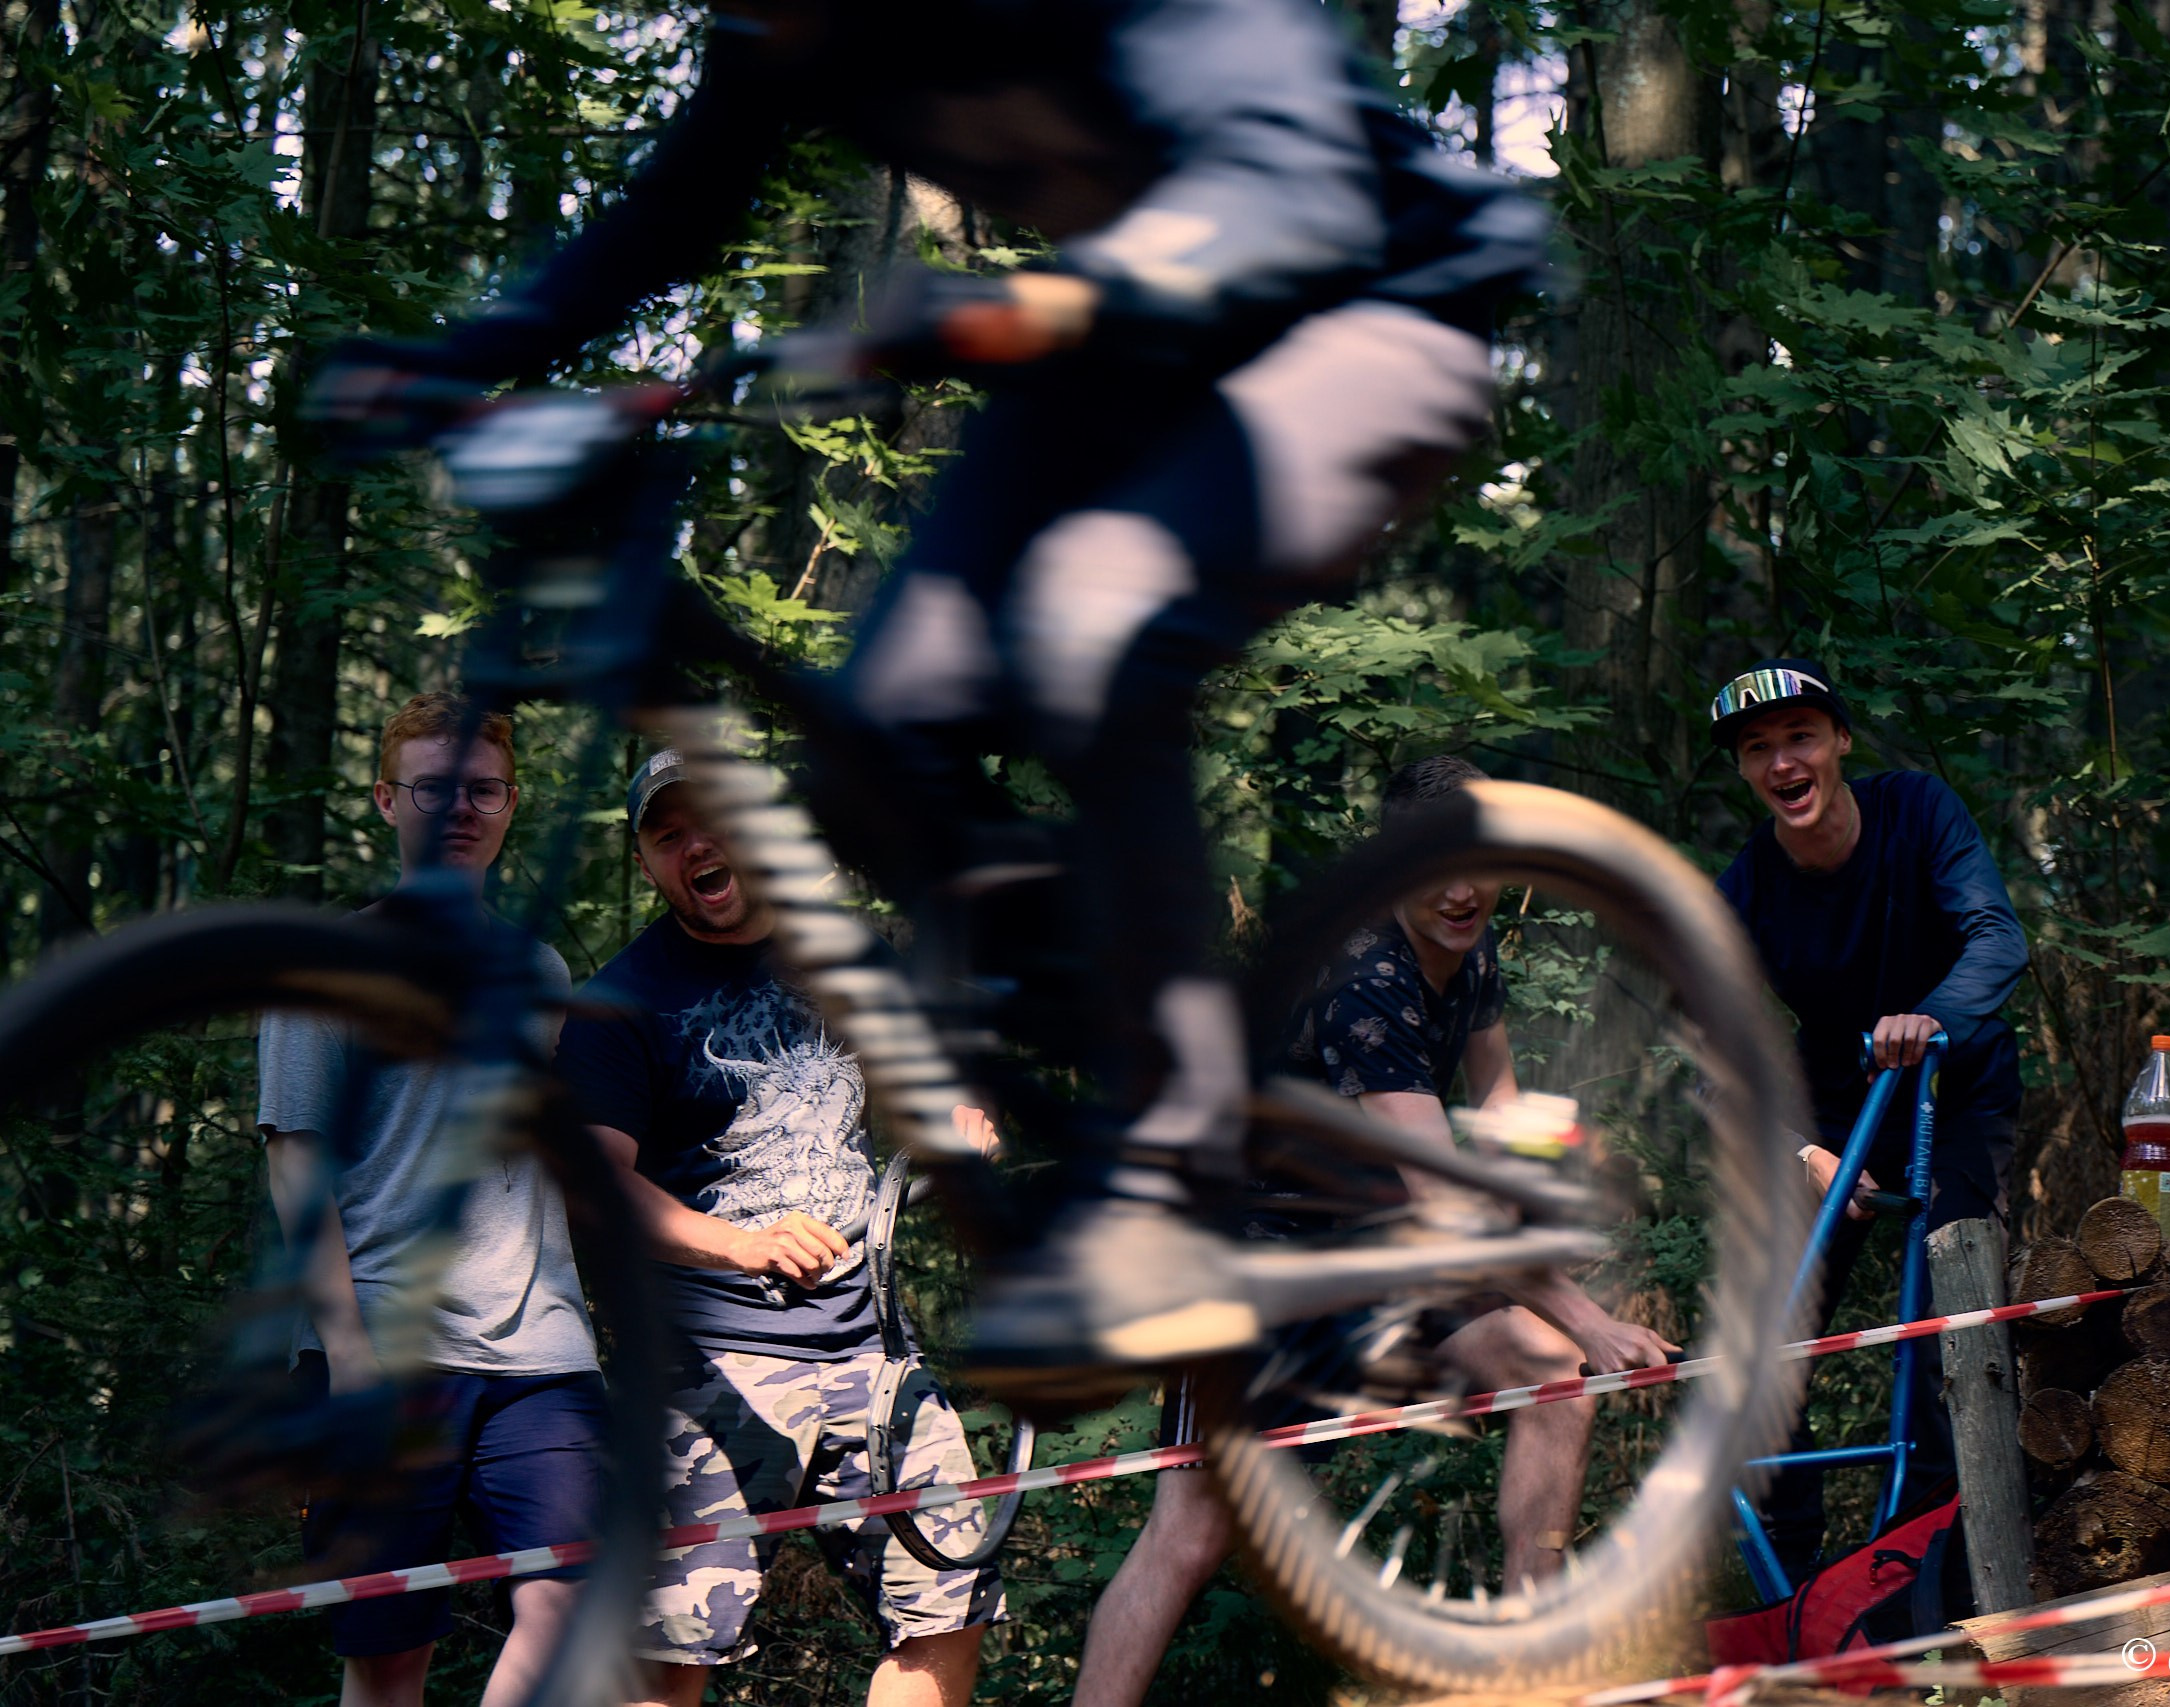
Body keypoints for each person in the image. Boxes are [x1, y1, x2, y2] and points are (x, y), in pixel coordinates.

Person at [313, 0, 1549, 1370]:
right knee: (871, 744)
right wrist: (443, 365)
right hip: (1133, 355)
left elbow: (1282, 185)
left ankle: (1174, 1164)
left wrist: (1032, 301)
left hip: (1374, 306)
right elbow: (658, 222)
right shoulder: (786, 34)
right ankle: (1101, 1054)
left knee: (1094, 620)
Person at [1070, 755, 1676, 1707]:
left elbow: (1502, 1110)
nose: (1465, 889)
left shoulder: (1471, 953)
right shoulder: (1363, 983)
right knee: (1189, 1533)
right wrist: (1587, 1312)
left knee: (1550, 1375)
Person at [552, 750, 1005, 1707]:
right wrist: (741, 1245)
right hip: (702, 1364)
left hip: (871, 1347)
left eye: (712, 819)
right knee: (668, 1651)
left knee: (949, 1603)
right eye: (667, 833)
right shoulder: (617, 1004)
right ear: (645, 861)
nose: (696, 845)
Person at [256, 692, 599, 1707]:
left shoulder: (542, 973)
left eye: (482, 790)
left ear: (509, 804)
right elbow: (295, 1168)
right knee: (390, 1656)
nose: (459, 808)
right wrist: (350, 1361)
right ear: (385, 799)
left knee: (569, 1608)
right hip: (380, 1353)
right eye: (433, 787)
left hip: (541, 1355)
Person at [1706, 660, 2028, 1586]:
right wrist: (1805, 1153)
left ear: (1840, 740)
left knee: (1951, 1327)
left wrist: (1929, 1016)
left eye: (1800, 736)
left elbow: (1996, 934)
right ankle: (1797, 1590)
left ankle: (1934, 1578)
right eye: (1758, 749)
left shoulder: (1917, 810)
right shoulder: (1744, 892)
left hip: (1952, 1086)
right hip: (1829, 1111)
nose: (1782, 763)